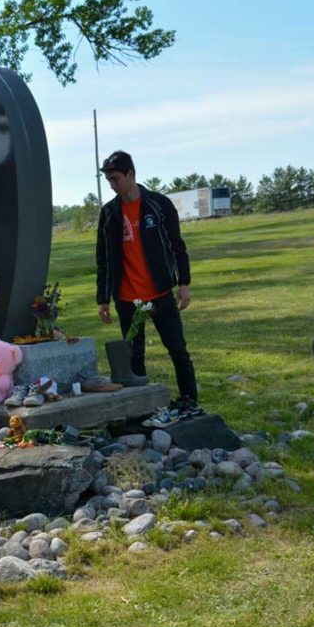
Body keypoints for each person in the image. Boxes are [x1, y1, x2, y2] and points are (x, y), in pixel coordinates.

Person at [95, 150, 201, 427]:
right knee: (134, 356)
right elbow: (103, 258)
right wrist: (102, 298)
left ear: (131, 174)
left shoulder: (159, 204)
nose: (112, 185)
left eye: (116, 179)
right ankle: (140, 411)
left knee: (177, 349)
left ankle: (190, 401)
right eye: (109, 181)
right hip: (127, 298)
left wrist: (184, 283)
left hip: (160, 293)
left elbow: (177, 246)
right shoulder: (109, 213)